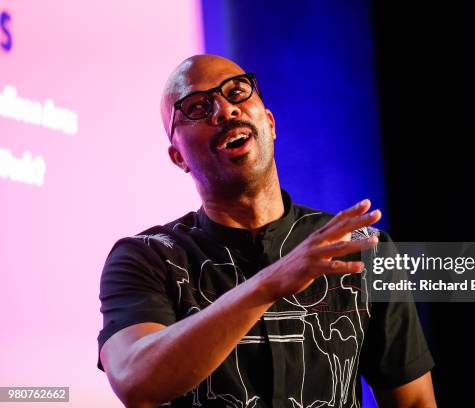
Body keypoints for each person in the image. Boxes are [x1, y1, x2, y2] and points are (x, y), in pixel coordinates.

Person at [97, 55, 436, 408]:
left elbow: (414, 402)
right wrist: (269, 284)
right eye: (197, 107)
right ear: (178, 157)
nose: (225, 110)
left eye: (237, 91)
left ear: (270, 124)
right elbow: (136, 380)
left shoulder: (361, 250)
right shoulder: (147, 257)